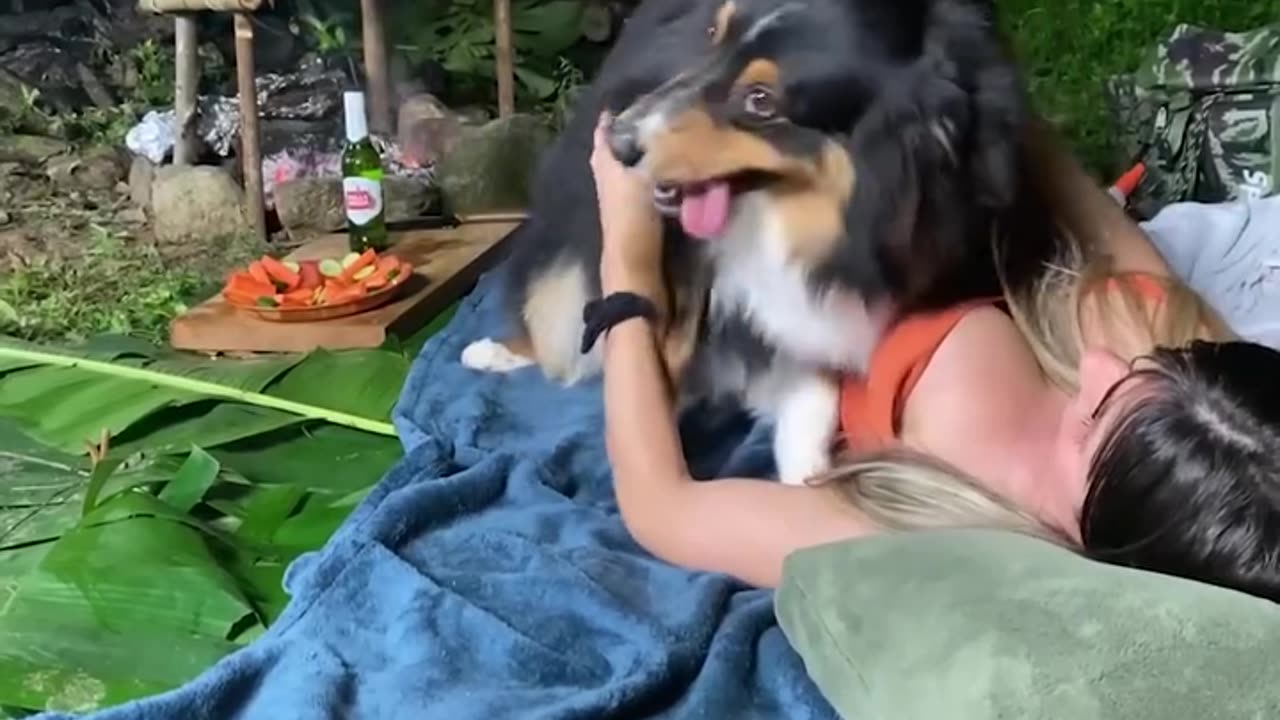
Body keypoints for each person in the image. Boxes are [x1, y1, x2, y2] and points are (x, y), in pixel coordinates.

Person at [590, 111, 1280, 602]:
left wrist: (626, 258)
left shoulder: (930, 531)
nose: (1104, 365)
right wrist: (998, 114)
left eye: (1096, 416)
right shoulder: (1210, 418)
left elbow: (663, 505)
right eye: (1141, 375)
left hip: (782, 258)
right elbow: (1102, 227)